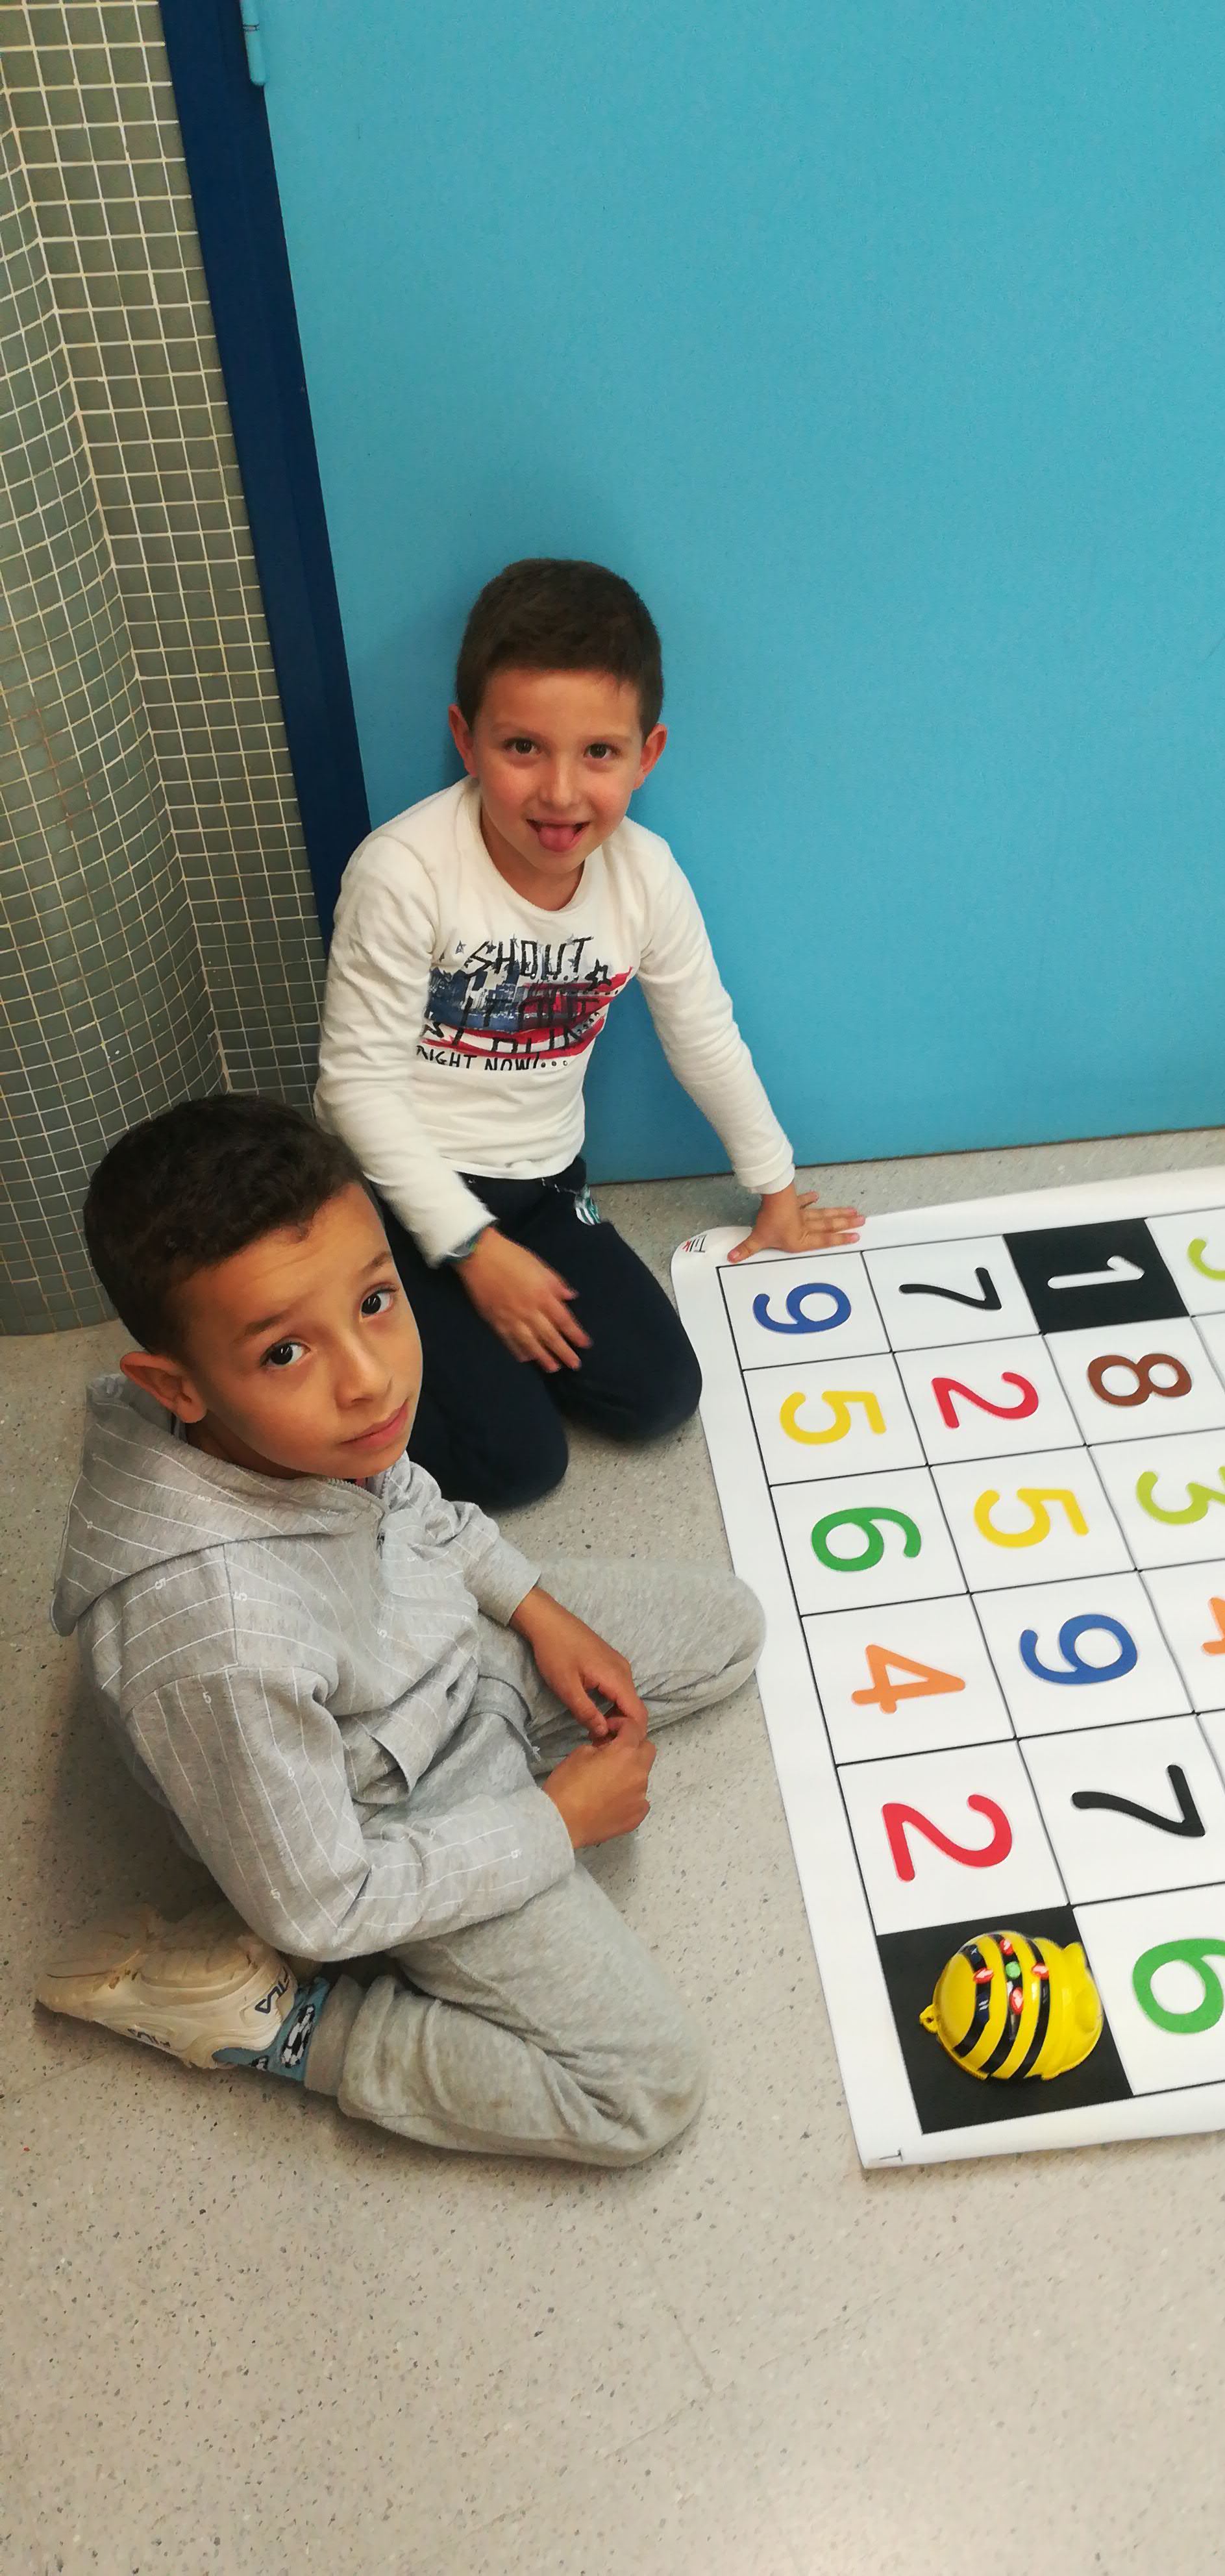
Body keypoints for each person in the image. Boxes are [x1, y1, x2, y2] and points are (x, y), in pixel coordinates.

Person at [38, 1095, 764, 2166]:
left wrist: (536, 1609)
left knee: (731, 1630)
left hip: (434, 1661)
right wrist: (553, 1825)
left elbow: (407, 1502)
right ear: (176, 1388)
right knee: (642, 2094)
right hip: (389, 1812)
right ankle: (287, 2026)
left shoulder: (308, 1429)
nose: (370, 1377)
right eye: (287, 1352)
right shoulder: (216, 1640)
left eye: (377, 1300)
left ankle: (509, 1739)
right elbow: (321, 1902)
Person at [314, 555, 861, 1509]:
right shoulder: (403, 871)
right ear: (467, 739)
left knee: (660, 1398)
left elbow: (705, 1036)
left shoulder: (647, 876)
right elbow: (353, 1090)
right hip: (393, 1195)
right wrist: (473, 1252)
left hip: (543, 1186)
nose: (561, 792)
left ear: (647, 755)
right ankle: (362, 1329)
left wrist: (774, 1187)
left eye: (599, 753)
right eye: (523, 747)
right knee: (519, 1465)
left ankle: (463, 1333)